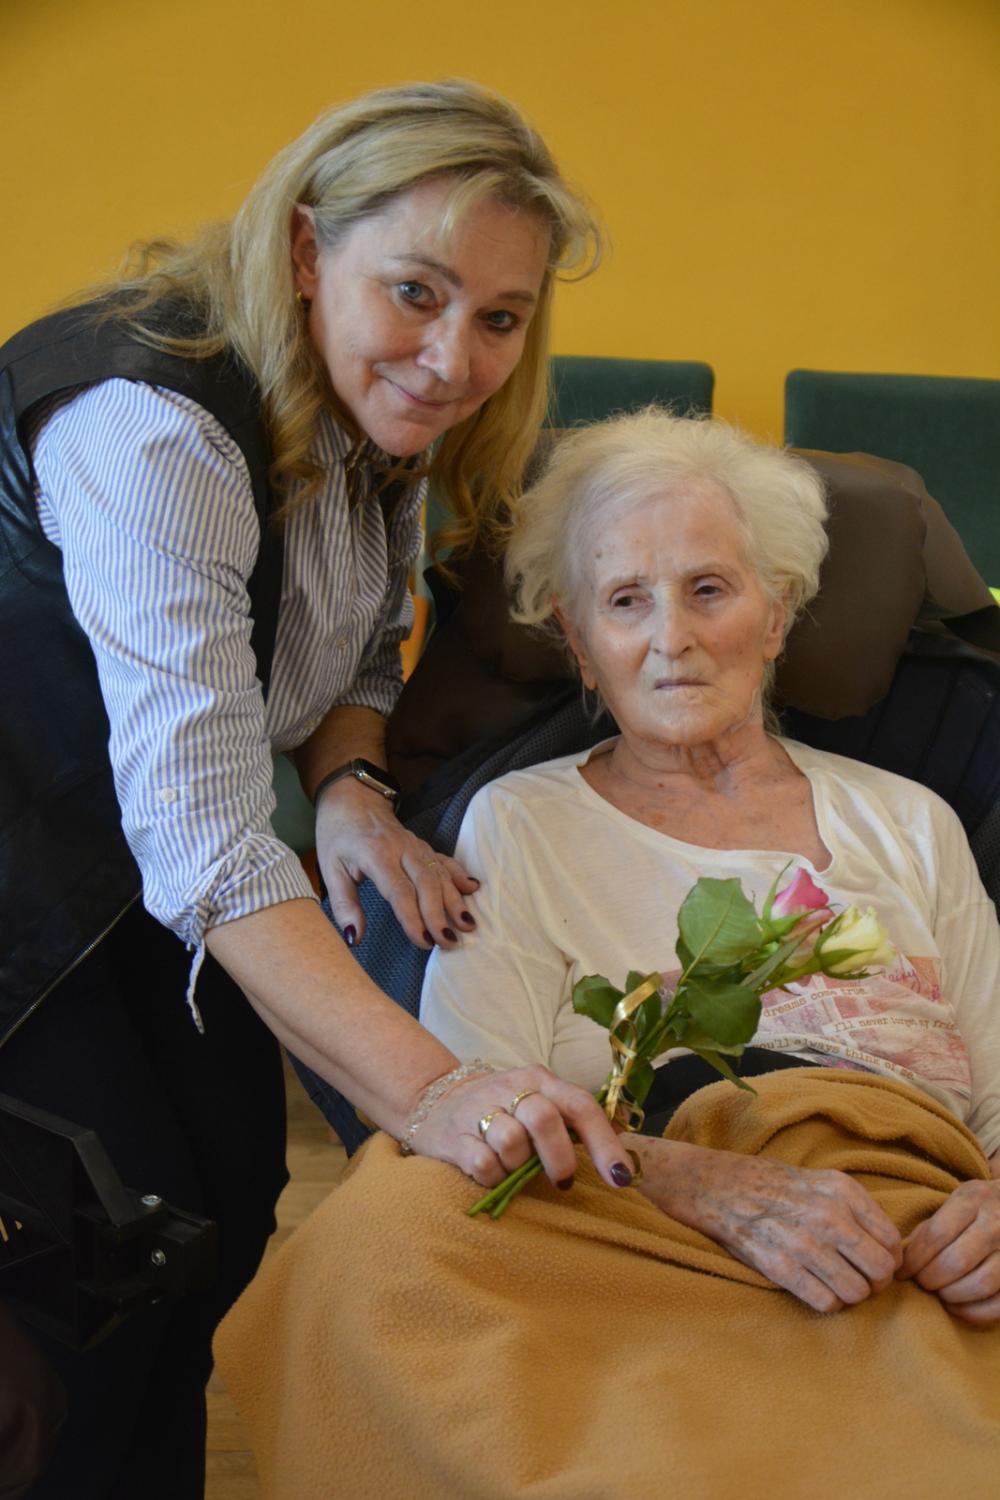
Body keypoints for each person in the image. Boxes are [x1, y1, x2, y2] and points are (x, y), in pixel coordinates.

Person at [0, 80, 632, 1498]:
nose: (453, 359)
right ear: (303, 250)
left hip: (140, 874)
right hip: (25, 887)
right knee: (86, 1283)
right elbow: (210, 843)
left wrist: (348, 785)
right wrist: (442, 1094)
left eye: (500, 317)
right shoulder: (154, 431)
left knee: (223, 1204)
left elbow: (351, 645)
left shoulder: (371, 416)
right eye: (416, 291)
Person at [215, 411, 1000, 1499]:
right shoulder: (520, 822)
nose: (671, 637)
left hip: (895, 1231)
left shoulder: (910, 821)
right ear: (579, 644)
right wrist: (699, 1183)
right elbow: (475, 1100)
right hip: (634, 1221)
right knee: (380, 1236)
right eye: (625, 600)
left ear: (778, 613)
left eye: (709, 589)